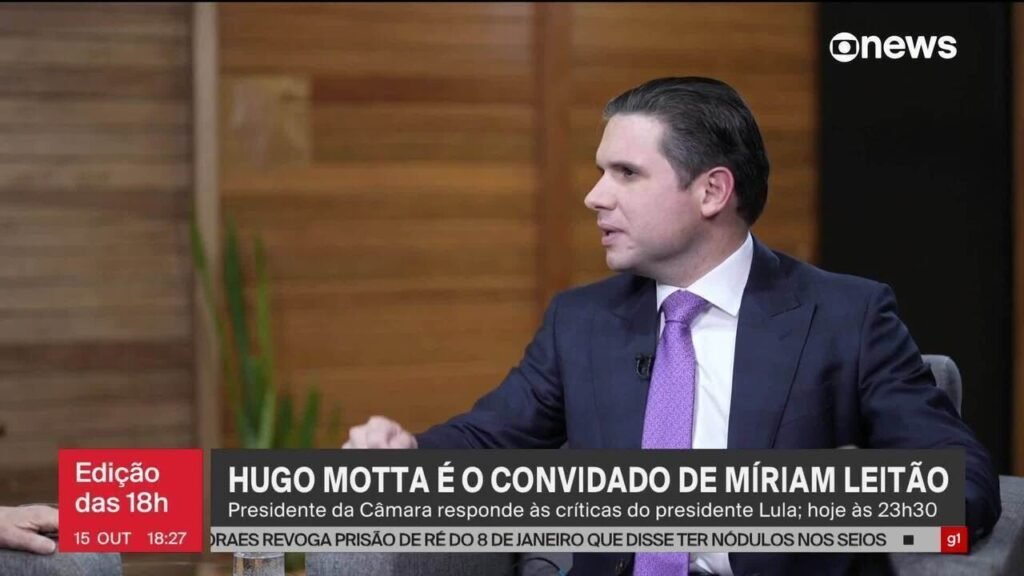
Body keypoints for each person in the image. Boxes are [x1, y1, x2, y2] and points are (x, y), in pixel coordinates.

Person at [344, 77, 1001, 575]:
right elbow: (488, 441)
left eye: (626, 173)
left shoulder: (846, 317)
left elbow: (962, 486)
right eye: (601, 171)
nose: (594, 196)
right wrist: (408, 455)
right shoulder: (582, 322)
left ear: (712, 191)